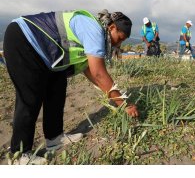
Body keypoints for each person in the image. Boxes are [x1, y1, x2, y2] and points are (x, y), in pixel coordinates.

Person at [3, 9, 139, 165]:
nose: (118, 44)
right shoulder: (94, 29)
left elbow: (91, 72)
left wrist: (115, 98)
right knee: (30, 97)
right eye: (119, 38)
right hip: (23, 38)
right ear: (112, 27)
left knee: (57, 87)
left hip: (48, 56)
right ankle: (19, 155)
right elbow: (99, 74)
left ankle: (54, 138)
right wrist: (124, 105)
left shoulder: (96, 37)